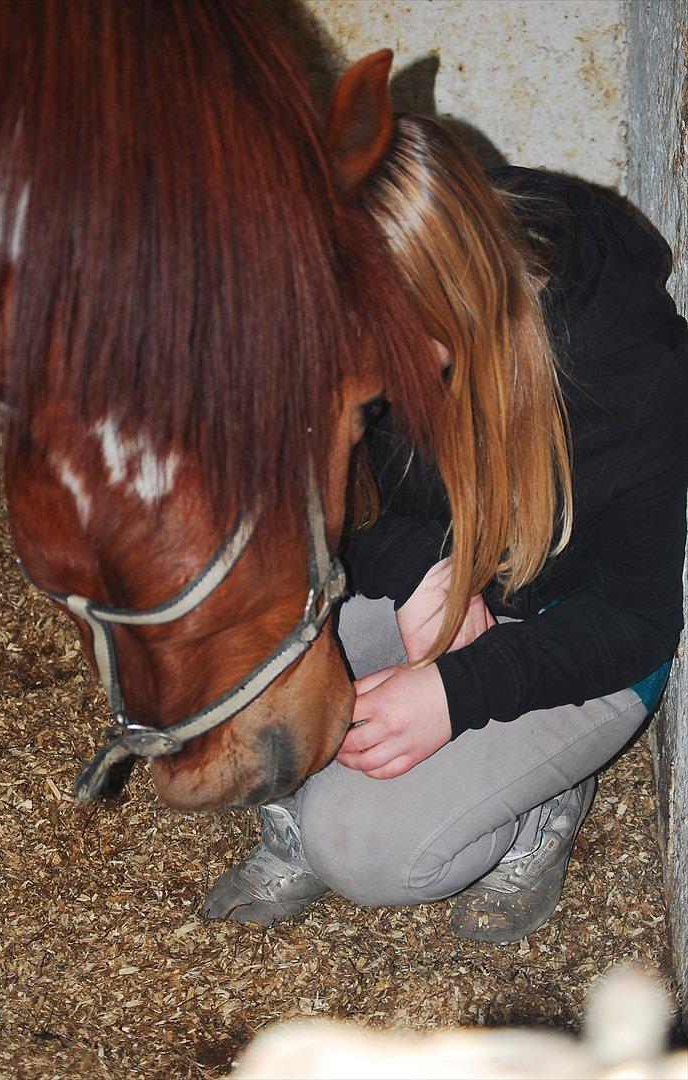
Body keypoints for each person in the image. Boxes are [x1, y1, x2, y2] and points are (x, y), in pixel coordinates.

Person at [202, 116, 688, 942]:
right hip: (433, 590)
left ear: (449, 297)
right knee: (216, 655)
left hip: (575, 641)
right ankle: (313, 799)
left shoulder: (632, 372)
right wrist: (426, 570)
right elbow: (315, 513)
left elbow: (637, 617)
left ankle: (540, 807)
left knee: (361, 849)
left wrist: (458, 694)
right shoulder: (356, 324)